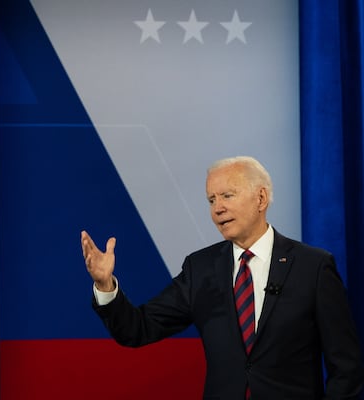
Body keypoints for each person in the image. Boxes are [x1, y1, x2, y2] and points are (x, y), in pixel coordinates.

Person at [81, 156, 364, 399]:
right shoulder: (201, 268)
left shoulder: (312, 266)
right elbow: (138, 329)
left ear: (261, 198)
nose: (217, 208)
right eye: (211, 199)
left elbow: (346, 365)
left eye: (227, 196)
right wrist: (106, 286)